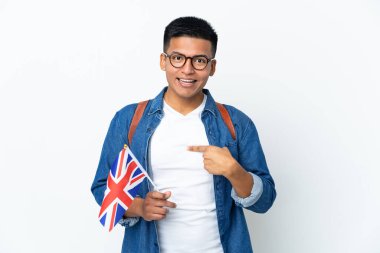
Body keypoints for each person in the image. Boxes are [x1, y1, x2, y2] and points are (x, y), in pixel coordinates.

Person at [91, 16, 276, 253]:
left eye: (199, 60)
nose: (187, 70)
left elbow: (265, 201)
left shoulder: (236, 124)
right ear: (163, 61)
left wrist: (234, 171)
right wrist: (140, 207)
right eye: (178, 58)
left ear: (212, 66)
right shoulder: (129, 120)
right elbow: (102, 188)